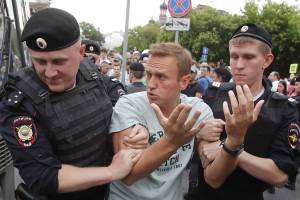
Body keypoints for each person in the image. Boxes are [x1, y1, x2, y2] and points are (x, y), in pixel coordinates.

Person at [0, 8, 143, 200]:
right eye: (40, 62)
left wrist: (135, 124)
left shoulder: (88, 70)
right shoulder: (20, 101)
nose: (49, 72)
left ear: (81, 52)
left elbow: (115, 90)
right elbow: (43, 175)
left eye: (59, 61)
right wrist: (112, 172)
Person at [190, 23, 299, 200]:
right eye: (234, 56)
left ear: (267, 60)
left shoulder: (284, 108)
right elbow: (203, 160)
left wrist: (230, 149)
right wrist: (198, 133)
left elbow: (279, 176)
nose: (239, 65)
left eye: (249, 57)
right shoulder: (214, 93)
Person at [109, 43, 215, 200]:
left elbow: (214, 177)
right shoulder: (129, 104)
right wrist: (173, 141)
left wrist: (234, 141)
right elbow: (127, 174)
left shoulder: (197, 110)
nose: (150, 84)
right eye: (149, 74)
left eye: (161, 77)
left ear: (184, 82)